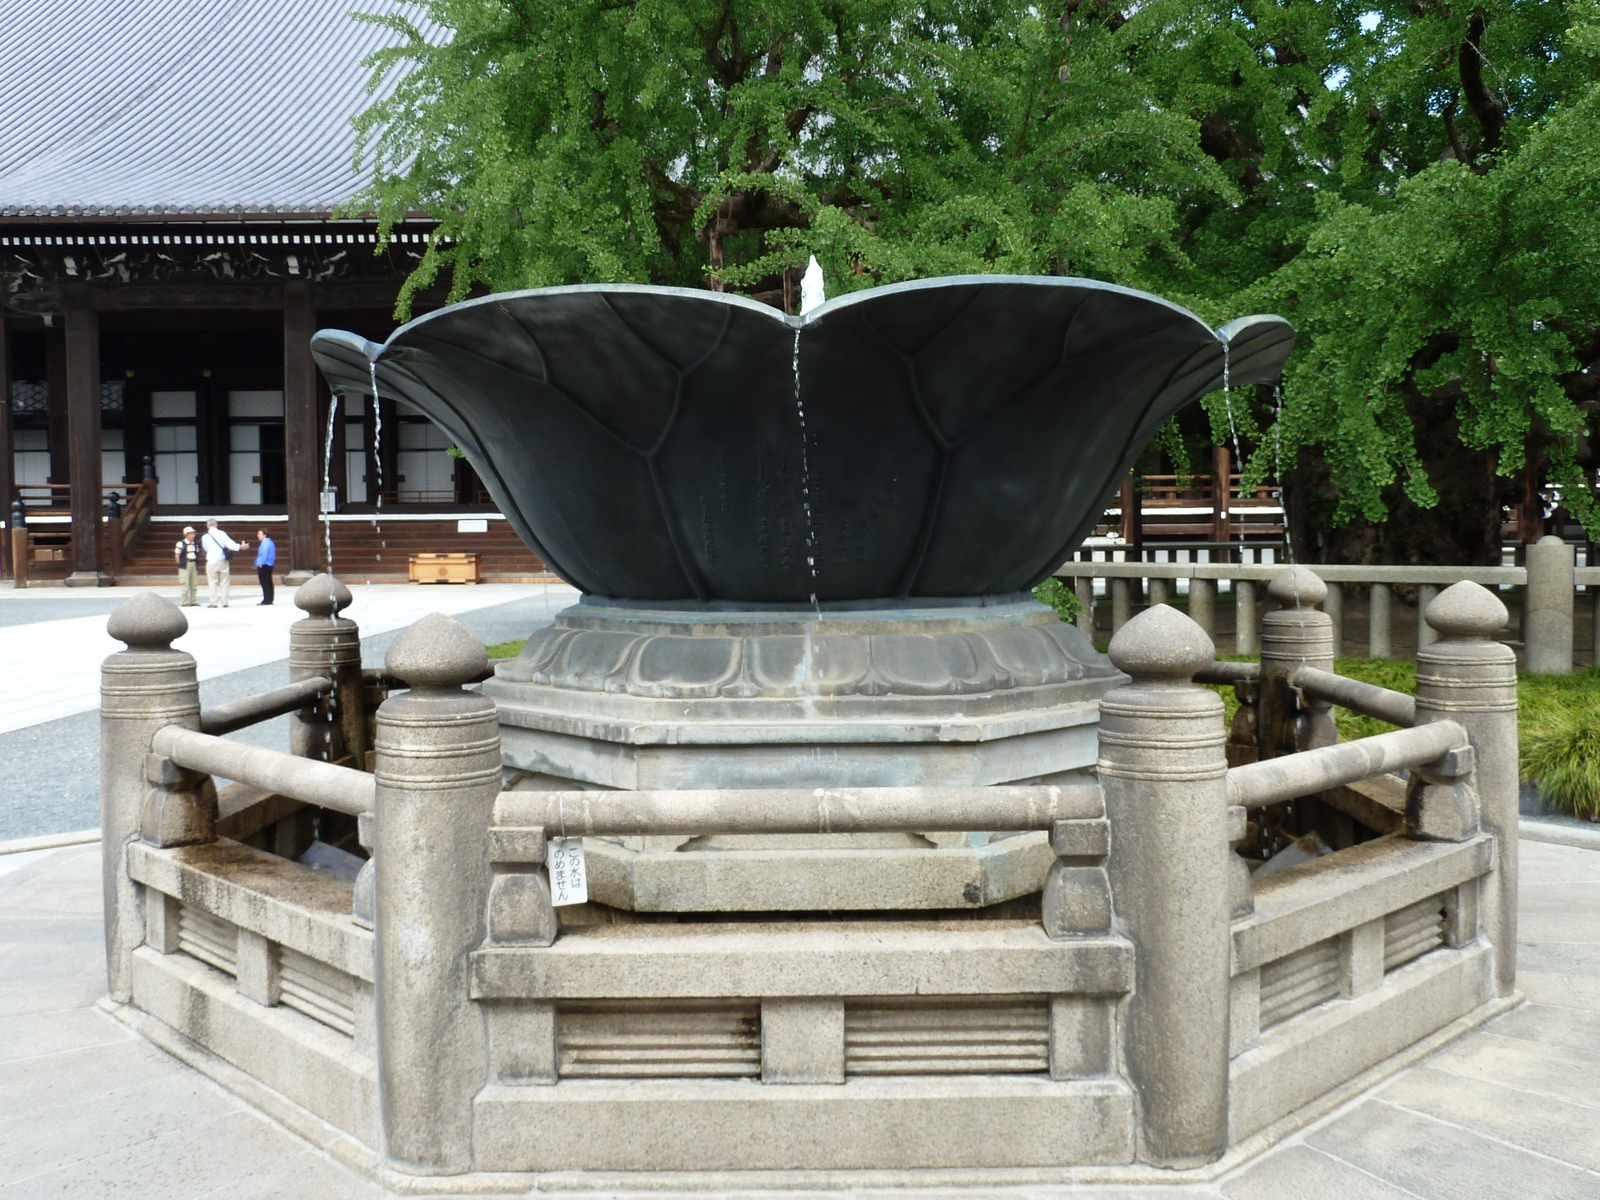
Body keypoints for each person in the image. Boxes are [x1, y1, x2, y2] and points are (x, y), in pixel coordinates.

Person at [200, 519, 248, 608]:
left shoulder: (205, 537)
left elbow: (205, 548)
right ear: (216, 525)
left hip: (211, 561)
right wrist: (240, 547)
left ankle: (213, 602)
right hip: (222, 560)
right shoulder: (222, 534)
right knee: (224, 582)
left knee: (212, 582)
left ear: (207, 526)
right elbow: (230, 544)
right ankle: (225, 602)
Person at [173, 526, 200, 606]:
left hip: (193, 563)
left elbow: (197, 553)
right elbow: (177, 555)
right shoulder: (181, 543)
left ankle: (193, 601)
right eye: (191, 534)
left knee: (194, 583)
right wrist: (180, 564)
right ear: (186, 535)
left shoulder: (195, 543)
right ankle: (185, 601)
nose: (193, 535)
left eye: (193, 534)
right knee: (185, 583)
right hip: (185, 563)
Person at [255, 529, 277, 605]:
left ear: (265, 535)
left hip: (264, 564)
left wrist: (261, 563)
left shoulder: (265, 543)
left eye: (260, 534)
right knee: (268, 582)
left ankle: (266, 599)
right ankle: (270, 598)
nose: (258, 536)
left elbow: (264, 554)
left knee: (264, 582)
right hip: (269, 564)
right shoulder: (270, 543)